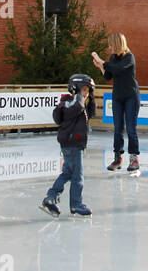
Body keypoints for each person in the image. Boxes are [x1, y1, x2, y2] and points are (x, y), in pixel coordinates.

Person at [41, 74, 96, 218]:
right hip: (72, 143)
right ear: (75, 89)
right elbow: (74, 108)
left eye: (88, 91)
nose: (86, 93)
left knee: (67, 173)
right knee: (78, 176)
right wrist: (80, 97)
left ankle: (51, 197)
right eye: (84, 90)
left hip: (74, 144)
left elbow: (90, 114)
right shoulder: (69, 103)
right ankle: (76, 204)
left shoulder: (81, 104)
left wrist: (91, 98)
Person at [94, 32, 140, 172]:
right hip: (117, 97)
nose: (109, 48)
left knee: (131, 129)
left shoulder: (129, 57)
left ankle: (134, 160)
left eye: (111, 45)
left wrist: (102, 61)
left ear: (117, 44)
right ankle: (117, 158)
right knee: (117, 128)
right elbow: (108, 75)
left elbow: (117, 69)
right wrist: (100, 66)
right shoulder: (113, 58)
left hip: (131, 96)